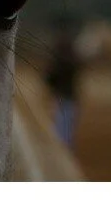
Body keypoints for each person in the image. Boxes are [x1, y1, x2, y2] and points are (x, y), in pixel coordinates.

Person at [43, 15, 86, 149]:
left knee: (62, 130)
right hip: (66, 96)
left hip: (64, 96)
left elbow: (50, 76)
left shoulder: (61, 53)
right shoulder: (71, 54)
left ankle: (62, 155)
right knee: (64, 131)